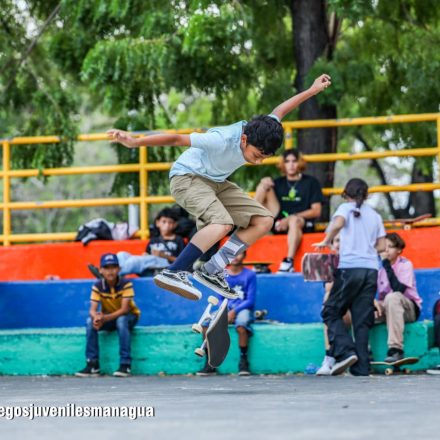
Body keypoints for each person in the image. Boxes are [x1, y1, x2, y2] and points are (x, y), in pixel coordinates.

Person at [108, 74, 332, 301]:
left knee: (264, 220)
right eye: (256, 155)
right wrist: (135, 142)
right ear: (243, 140)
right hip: (186, 177)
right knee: (222, 223)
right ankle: (175, 271)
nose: (258, 161)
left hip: (215, 182)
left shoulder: (264, 129)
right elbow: (176, 139)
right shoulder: (220, 140)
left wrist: (312, 90)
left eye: (264, 158)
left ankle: (212, 269)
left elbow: (281, 110)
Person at [314, 178, 386, 376]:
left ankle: (346, 351)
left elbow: (338, 223)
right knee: (362, 320)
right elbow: (382, 246)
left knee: (330, 311)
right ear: (367, 194)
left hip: (350, 268)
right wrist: (366, 249)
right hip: (371, 270)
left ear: (345, 194)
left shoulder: (345, 208)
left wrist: (327, 239)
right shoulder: (375, 215)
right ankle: (361, 368)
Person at [255, 149, 324, 272]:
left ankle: (288, 262)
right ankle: (248, 222)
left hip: (300, 222)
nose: (291, 165)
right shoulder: (277, 182)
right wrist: (264, 182)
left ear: (300, 163)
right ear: (283, 164)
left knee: (293, 220)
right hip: (279, 221)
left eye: (294, 161)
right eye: (287, 161)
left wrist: (289, 219)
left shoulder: (311, 182)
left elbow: (316, 211)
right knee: (263, 184)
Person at [76, 253, 141, 378]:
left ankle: (125, 364)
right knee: (90, 322)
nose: (110, 271)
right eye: (106, 268)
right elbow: (92, 310)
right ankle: (93, 364)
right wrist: (96, 318)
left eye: (113, 267)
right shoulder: (97, 286)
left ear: (119, 269)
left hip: (129, 317)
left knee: (121, 320)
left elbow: (124, 309)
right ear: (100, 270)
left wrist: (104, 318)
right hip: (110, 318)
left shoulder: (126, 284)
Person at [197, 251, 256, 376]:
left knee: (241, 325)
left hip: (242, 309)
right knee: (206, 325)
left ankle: (243, 362)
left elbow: (250, 300)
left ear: (244, 256)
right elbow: (219, 298)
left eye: (239, 254)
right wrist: (226, 311)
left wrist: (234, 311)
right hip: (225, 308)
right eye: (233, 255)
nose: (235, 257)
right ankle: (209, 364)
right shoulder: (222, 275)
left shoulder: (250, 275)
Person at [88, 208, 186, 278]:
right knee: (122, 255)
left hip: (166, 269)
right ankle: (107, 270)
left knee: (135, 261)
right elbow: (146, 256)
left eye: (170, 222)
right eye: (164, 222)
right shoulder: (154, 240)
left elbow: (183, 261)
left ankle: (109, 275)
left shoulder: (178, 240)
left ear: (175, 225)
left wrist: (163, 255)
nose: (167, 225)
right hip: (150, 269)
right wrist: (146, 256)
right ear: (157, 223)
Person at [375, 232, 422, 362]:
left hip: (409, 309)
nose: (386, 250)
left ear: (399, 250)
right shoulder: (378, 268)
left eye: (390, 247)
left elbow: (398, 289)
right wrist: (373, 303)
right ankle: (363, 350)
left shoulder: (405, 264)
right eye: (384, 247)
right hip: (387, 307)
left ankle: (396, 349)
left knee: (392, 297)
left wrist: (386, 264)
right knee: (362, 305)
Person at [315, 234, 352, 375]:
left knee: (330, 308)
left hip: (355, 308)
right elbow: (329, 288)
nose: (339, 244)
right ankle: (329, 358)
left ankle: (334, 356)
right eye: (336, 241)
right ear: (332, 244)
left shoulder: (357, 261)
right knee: (327, 305)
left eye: (343, 240)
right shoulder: (330, 263)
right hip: (339, 308)